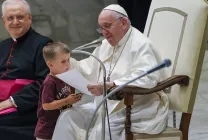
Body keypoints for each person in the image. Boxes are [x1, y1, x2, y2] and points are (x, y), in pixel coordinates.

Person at [52, 4, 169, 140]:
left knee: (102, 130)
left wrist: (112, 85)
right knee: (68, 116)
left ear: (123, 23)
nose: (104, 32)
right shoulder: (106, 45)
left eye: (107, 26)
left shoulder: (141, 45)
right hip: (105, 105)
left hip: (138, 106)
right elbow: (88, 68)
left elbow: (147, 78)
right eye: (101, 28)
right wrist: (64, 62)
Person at [0, 0, 52, 140]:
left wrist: (11, 101)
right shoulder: (2, 46)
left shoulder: (44, 45)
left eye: (20, 17)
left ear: (29, 18)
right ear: (4, 21)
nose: (15, 22)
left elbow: (45, 83)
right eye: (10, 18)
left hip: (26, 109)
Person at [34, 42, 82, 140]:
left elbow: (68, 95)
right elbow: (46, 105)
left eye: (68, 59)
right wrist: (67, 101)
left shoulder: (65, 76)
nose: (68, 64)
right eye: (63, 61)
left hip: (61, 126)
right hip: (47, 131)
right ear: (50, 64)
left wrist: (76, 96)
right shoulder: (49, 82)